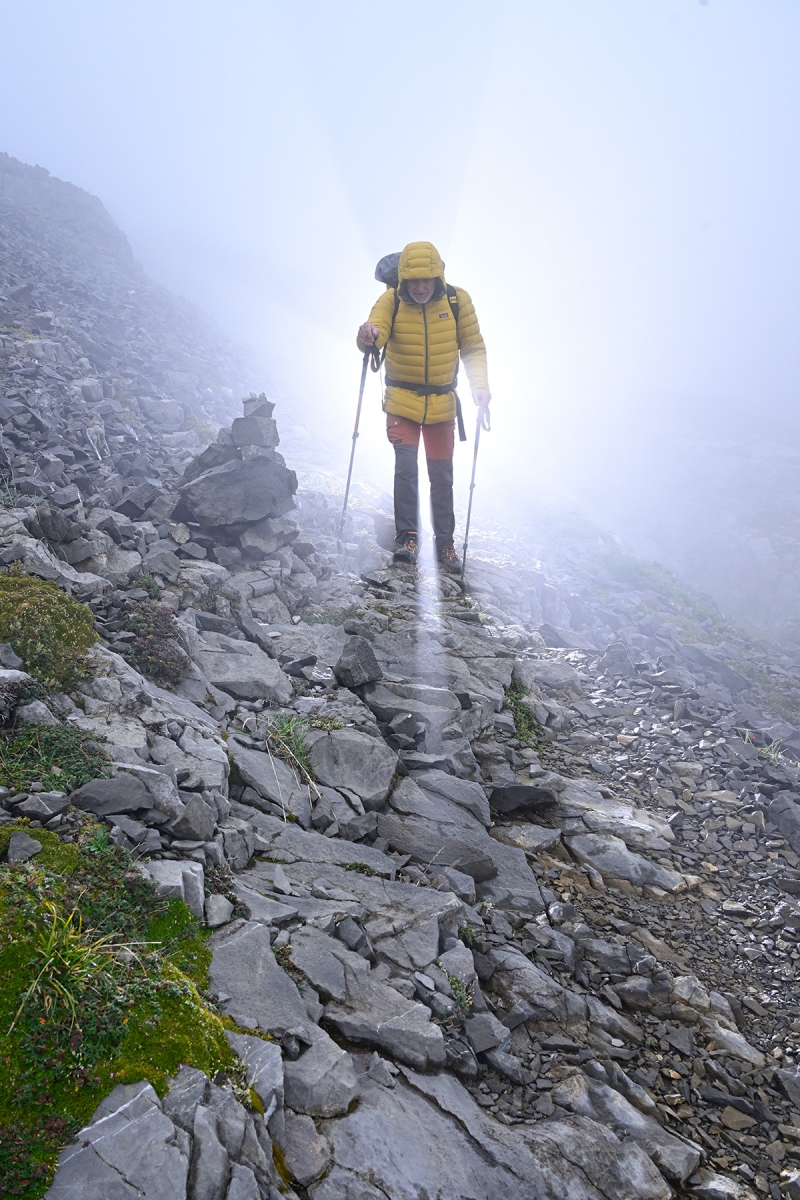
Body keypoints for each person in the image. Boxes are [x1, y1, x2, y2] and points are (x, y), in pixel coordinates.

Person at [357, 240, 491, 573]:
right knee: (406, 470)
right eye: (413, 280)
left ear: (437, 277)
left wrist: (480, 386)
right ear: (403, 278)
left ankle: (445, 546)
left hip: (443, 404)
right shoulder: (391, 300)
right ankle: (408, 538)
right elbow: (376, 331)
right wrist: (367, 336)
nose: (420, 287)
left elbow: (473, 346)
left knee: (441, 476)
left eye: (426, 280)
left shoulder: (458, 301)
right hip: (401, 401)